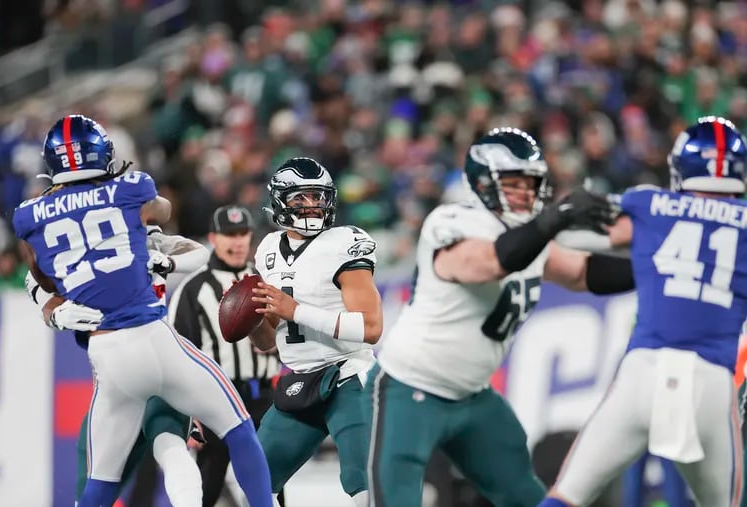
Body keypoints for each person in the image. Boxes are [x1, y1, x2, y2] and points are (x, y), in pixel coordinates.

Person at [11, 114, 272, 507]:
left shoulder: (28, 216)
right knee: (238, 430)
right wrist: (145, 234)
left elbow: (41, 279)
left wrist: (52, 306)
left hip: (107, 360)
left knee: (99, 484)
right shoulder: (131, 189)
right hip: (152, 339)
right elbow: (162, 210)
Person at [364, 127, 634, 507]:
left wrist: (654, 269)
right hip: (411, 388)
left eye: (531, 183)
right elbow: (489, 262)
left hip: (474, 395)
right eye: (513, 183)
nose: (525, 192)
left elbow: (579, 272)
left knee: (526, 496)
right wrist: (552, 222)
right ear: (482, 184)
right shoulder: (452, 220)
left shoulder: (530, 237)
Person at [539, 117, 747, 507]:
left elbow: (579, 232)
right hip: (711, 381)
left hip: (643, 374)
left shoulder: (649, 204)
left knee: (567, 495)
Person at [26, 225, 210, 507]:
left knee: (167, 450)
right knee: (164, 452)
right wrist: (56, 314)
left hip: (137, 378)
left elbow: (195, 252)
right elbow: (43, 295)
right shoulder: (79, 255)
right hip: (135, 381)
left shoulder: (134, 237)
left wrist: (167, 259)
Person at [247, 157, 382, 507]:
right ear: (280, 202)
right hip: (300, 382)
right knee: (255, 482)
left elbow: (370, 327)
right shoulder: (267, 251)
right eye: (300, 199)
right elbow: (265, 340)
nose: (312, 206)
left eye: (317, 197)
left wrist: (297, 311)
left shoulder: (344, 242)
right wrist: (249, 317)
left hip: (347, 376)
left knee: (364, 484)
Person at [169, 205, 283, 507]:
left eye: (243, 233)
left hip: (265, 398)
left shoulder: (268, 281)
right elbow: (178, 357)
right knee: (206, 488)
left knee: (270, 487)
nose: (237, 242)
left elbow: (291, 336)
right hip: (215, 402)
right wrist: (189, 414)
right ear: (213, 238)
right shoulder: (193, 289)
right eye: (229, 235)